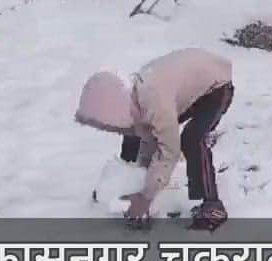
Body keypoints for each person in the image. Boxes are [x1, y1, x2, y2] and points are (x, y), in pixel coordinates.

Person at [74, 48, 234, 230]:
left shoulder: (157, 105)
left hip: (217, 86)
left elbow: (169, 151)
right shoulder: (134, 96)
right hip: (185, 83)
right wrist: (142, 174)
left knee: (192, 140)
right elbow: (146, 135)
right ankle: (124, 187)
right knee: (135, 135)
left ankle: (213, 208)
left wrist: (146, 197)